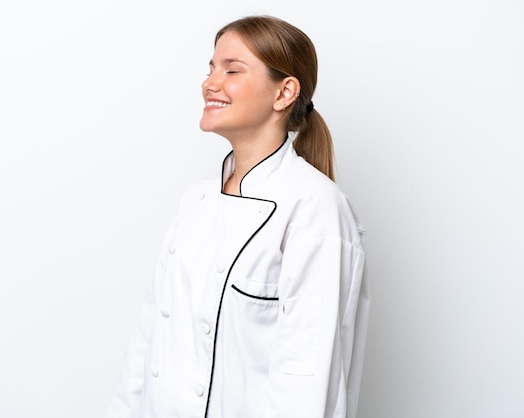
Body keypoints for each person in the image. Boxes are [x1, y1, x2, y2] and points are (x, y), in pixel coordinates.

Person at [107, 15, 370, 418]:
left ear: (284, 92)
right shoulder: (195, 202)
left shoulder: (316, 209)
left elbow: (305, 382)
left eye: (231, 70)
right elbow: (146, 347)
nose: (210, 83)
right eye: (210, 68)